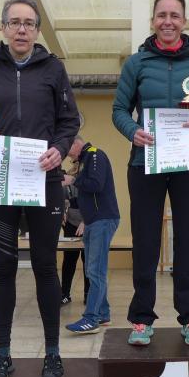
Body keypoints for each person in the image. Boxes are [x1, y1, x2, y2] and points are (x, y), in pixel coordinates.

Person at [0, 0, 80, 377]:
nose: (22, 29)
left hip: (45, 182)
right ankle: (2, 355)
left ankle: (53, 354)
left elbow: (69, 121)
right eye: (15, 22)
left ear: (37, 31)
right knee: (4, 270)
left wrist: (59, 149)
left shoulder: (54, 69)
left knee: (46, 267)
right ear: (3, 28)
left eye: (29, 23)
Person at [112, 0, 189, 346]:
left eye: (174, 15)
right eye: (162, 15)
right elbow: (118, 110)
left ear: (184, 21)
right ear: (153, 21)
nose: (168, 22)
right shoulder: (136, 64)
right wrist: (132, 131)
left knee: (188, 241)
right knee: (145, 241)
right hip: (144, 162)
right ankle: (141, 319)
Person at [64, 136, 120, 334]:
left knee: (95, 270)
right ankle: (103, 314)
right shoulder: (84, 160)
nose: (66, 154)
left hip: (102, 219)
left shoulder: (94, 154)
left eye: (67, 148)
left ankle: (91, 318)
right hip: (93, 221)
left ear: (75, 143)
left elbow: (96, 184)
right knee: (92, 269)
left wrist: (73, 180)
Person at [60, 165, 89, 306]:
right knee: (69, 260)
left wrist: (86, 221)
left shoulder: (90, 180)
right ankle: (65, 294)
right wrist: (61, 211)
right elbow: (60, 198)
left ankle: (88, 295)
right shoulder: (67, 179)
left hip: (88, 223)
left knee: (87, 260)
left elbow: (94, 203)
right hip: (70, 223)